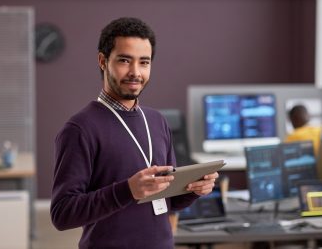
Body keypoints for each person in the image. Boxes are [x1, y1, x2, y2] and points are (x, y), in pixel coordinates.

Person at [50, 17, 218, 249]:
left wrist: (193, 190)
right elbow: (62, 214)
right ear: (102, 61)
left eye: (144, 62)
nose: (135, 72)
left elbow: (167, 201)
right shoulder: (79, 129)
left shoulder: (157, 121)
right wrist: (128, 190)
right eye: (124, 60)